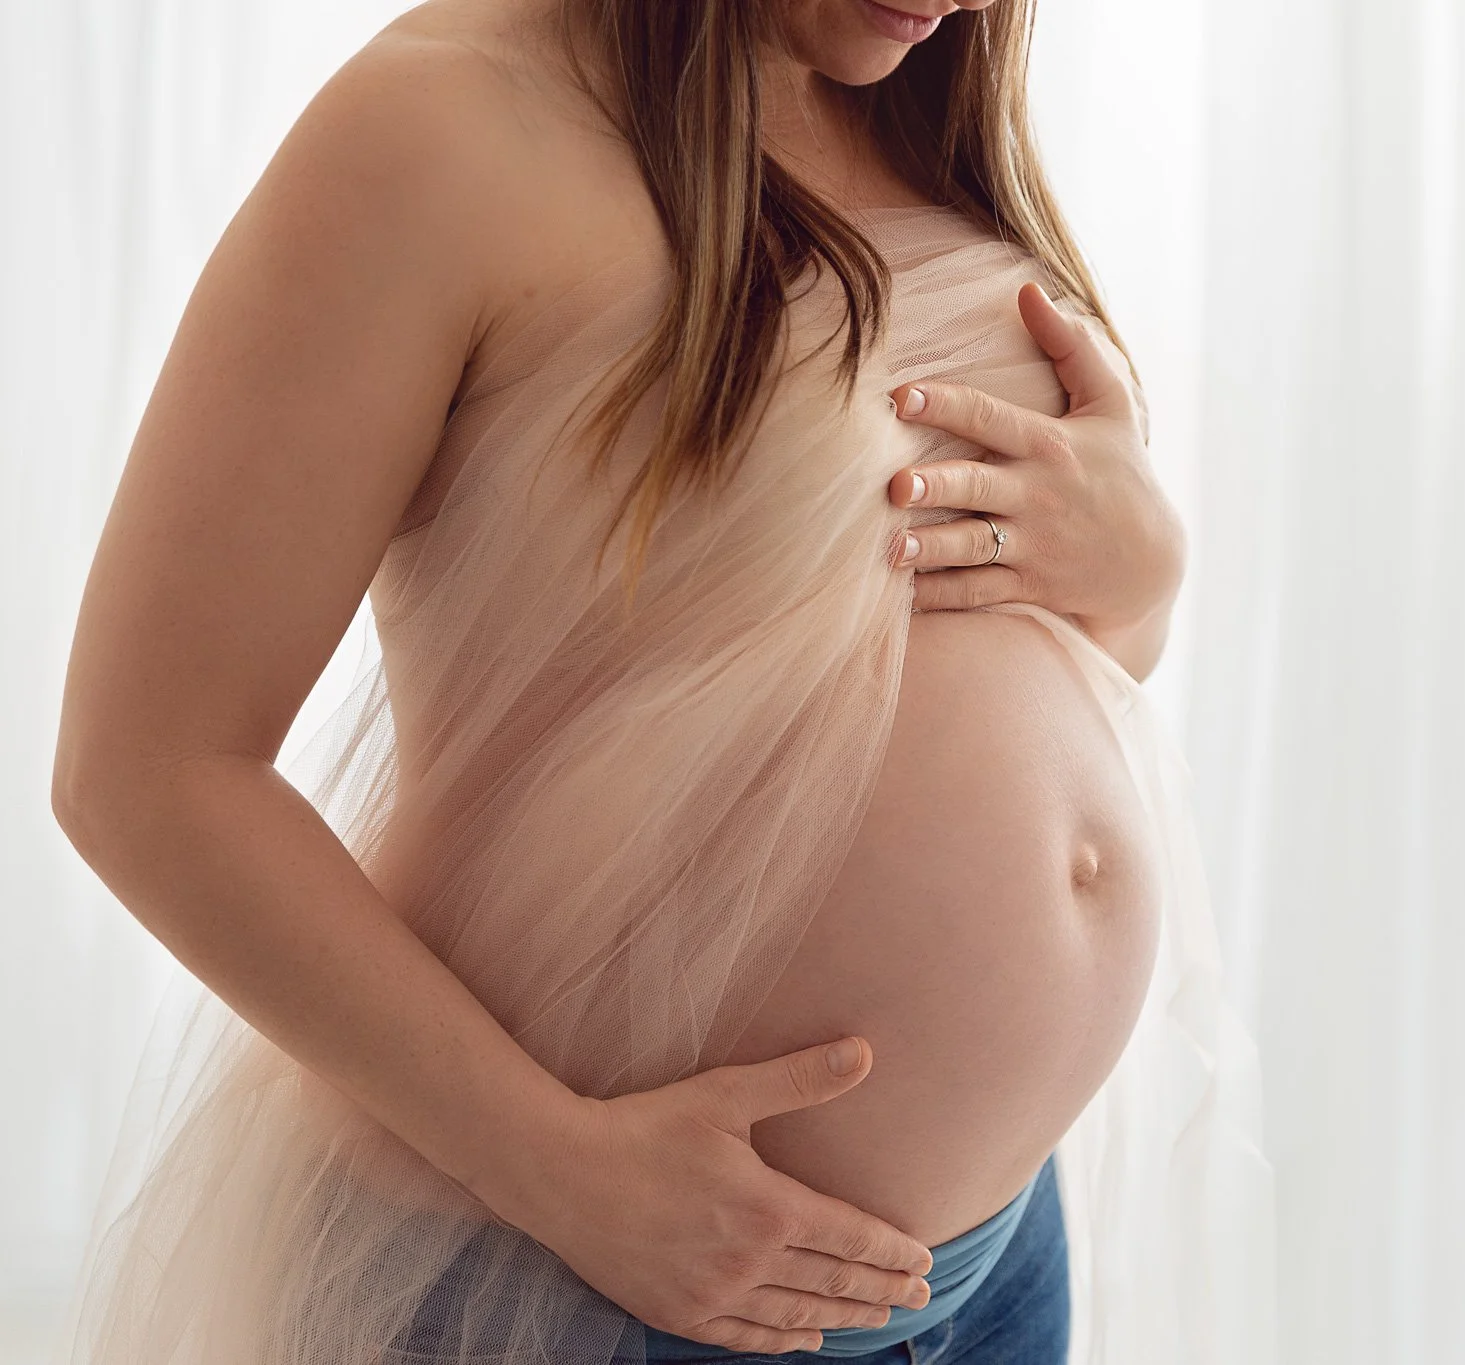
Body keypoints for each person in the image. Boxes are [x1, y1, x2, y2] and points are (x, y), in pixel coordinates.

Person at [49, 2, 1269, 1362]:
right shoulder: (438, 131)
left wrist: (1140, 576)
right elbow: (147, 771)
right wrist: (559, 1168)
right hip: (589, 1278)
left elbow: (971, 650)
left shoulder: (910, 103)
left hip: (989, 1272)